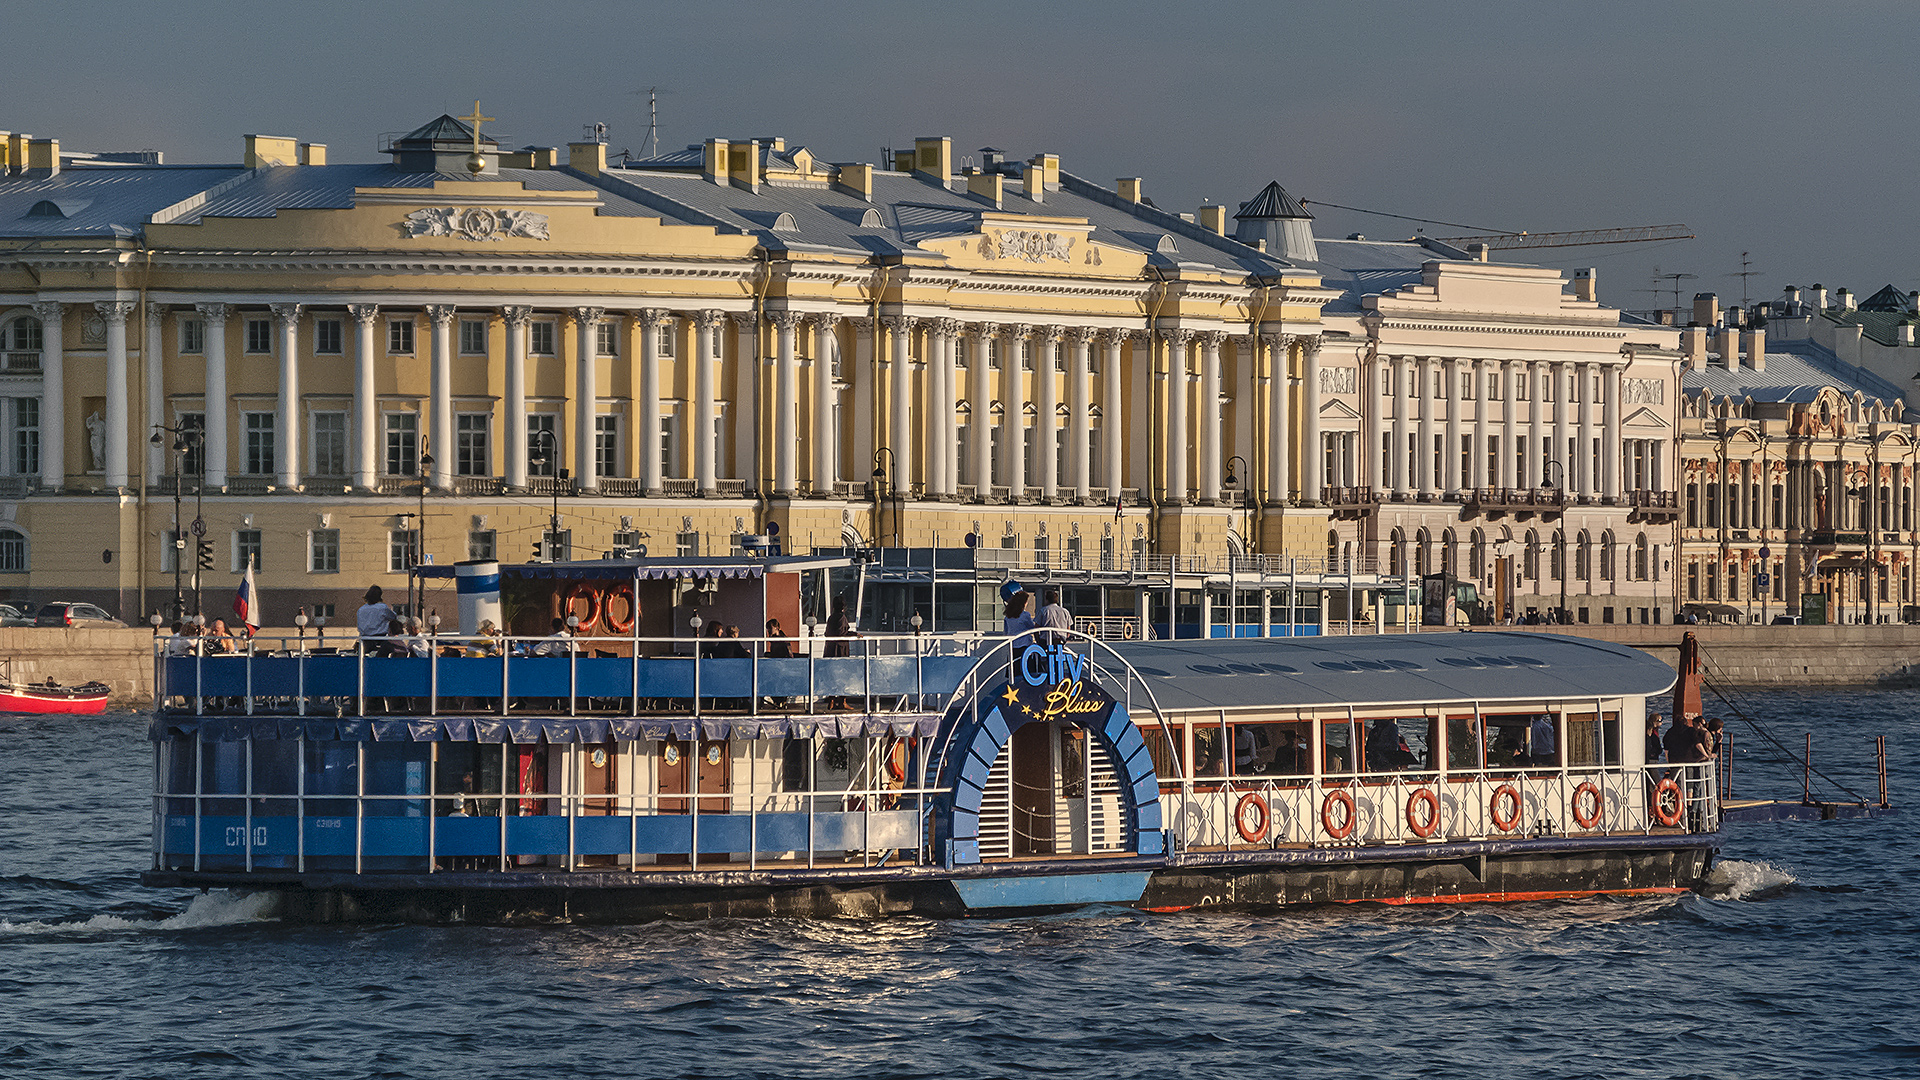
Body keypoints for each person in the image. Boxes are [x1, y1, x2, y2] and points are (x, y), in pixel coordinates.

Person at [357, 586, 396, 652]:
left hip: (365, 640)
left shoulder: (361, 610)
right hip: (380, 639)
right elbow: (393, 617)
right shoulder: (382, 608)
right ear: (379, 596)